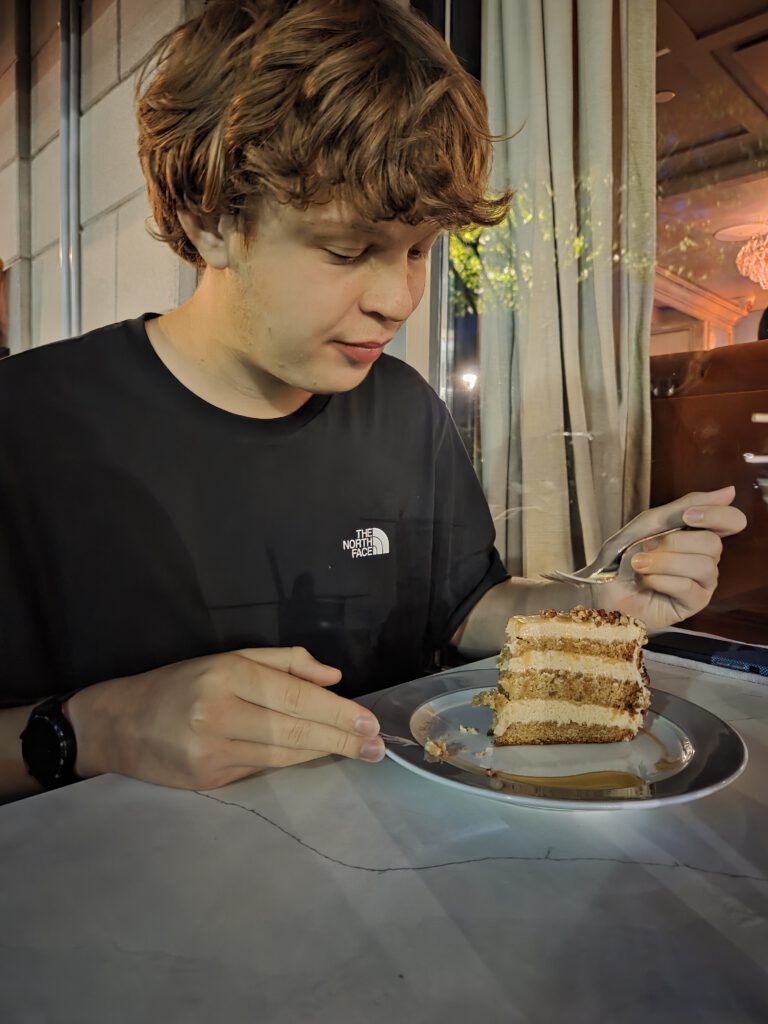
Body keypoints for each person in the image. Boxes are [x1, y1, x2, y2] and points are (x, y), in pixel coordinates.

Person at [0, 0, 745, 802]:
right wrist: (95, 729)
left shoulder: (404, 411)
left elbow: (463, 611)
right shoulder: (30, 426)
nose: (397, 300)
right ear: (209, 220)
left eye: (419, 250)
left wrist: (598, 599)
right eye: (348, 249)